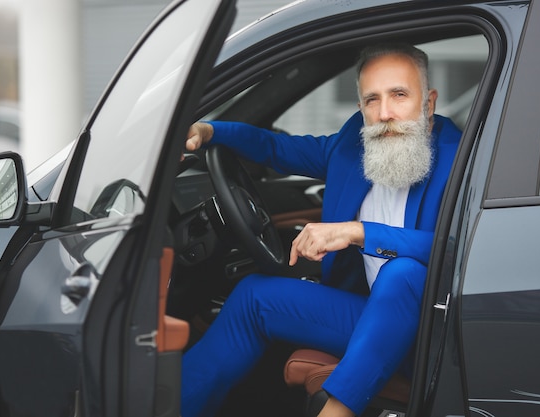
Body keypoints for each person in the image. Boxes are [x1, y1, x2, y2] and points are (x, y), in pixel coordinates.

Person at [181, 43, 462, 417]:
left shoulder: (458, 158)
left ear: (428, 102)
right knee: (253, 297)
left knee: (404, 272)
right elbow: (277, 148)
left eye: (399, 95)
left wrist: (359, 232)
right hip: (370, 317)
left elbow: (459, 249)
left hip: (429, 335)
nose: (384, 114)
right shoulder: (353, 143)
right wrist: (210, 130)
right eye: (371, 100)